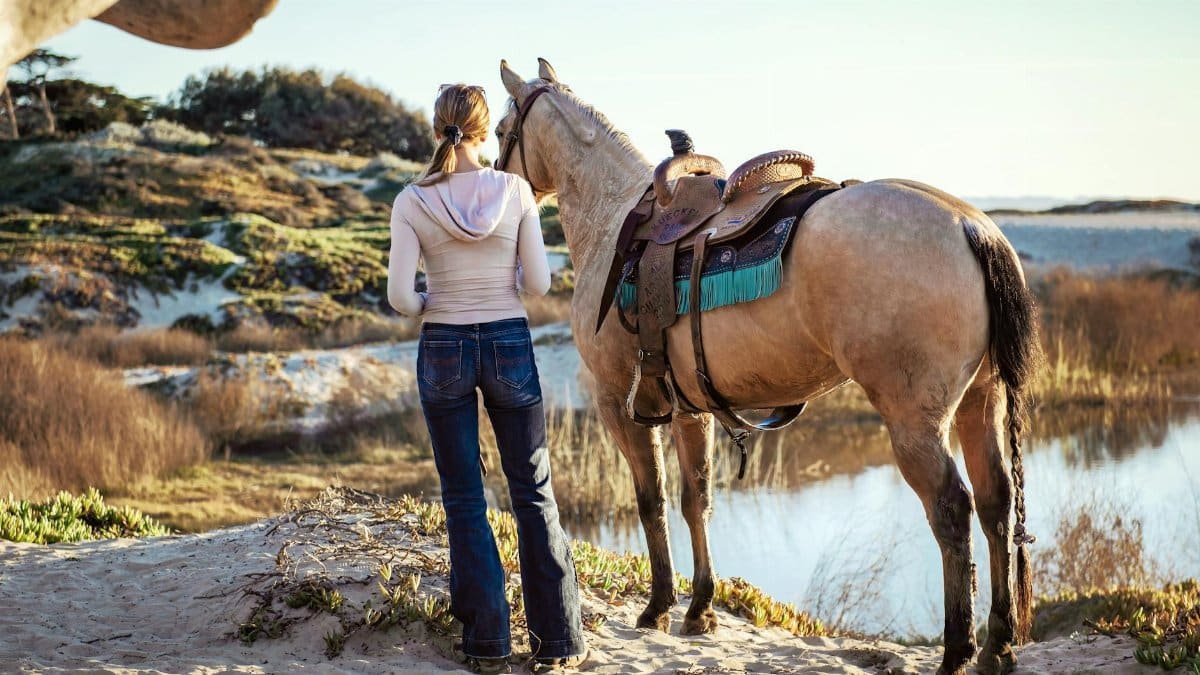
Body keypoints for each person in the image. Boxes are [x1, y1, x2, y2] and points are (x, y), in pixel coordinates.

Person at [386, 83, 587, 674]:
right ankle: (558, 643)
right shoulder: (517, 190)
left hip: (444, 343)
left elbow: (401, 297)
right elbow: (538, 285)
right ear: (482, 130)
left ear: (436, 128)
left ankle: (488, 643)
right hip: (508, 341)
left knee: (464, 497)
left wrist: (435, 302)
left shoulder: (410, 200)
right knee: (533, 491)